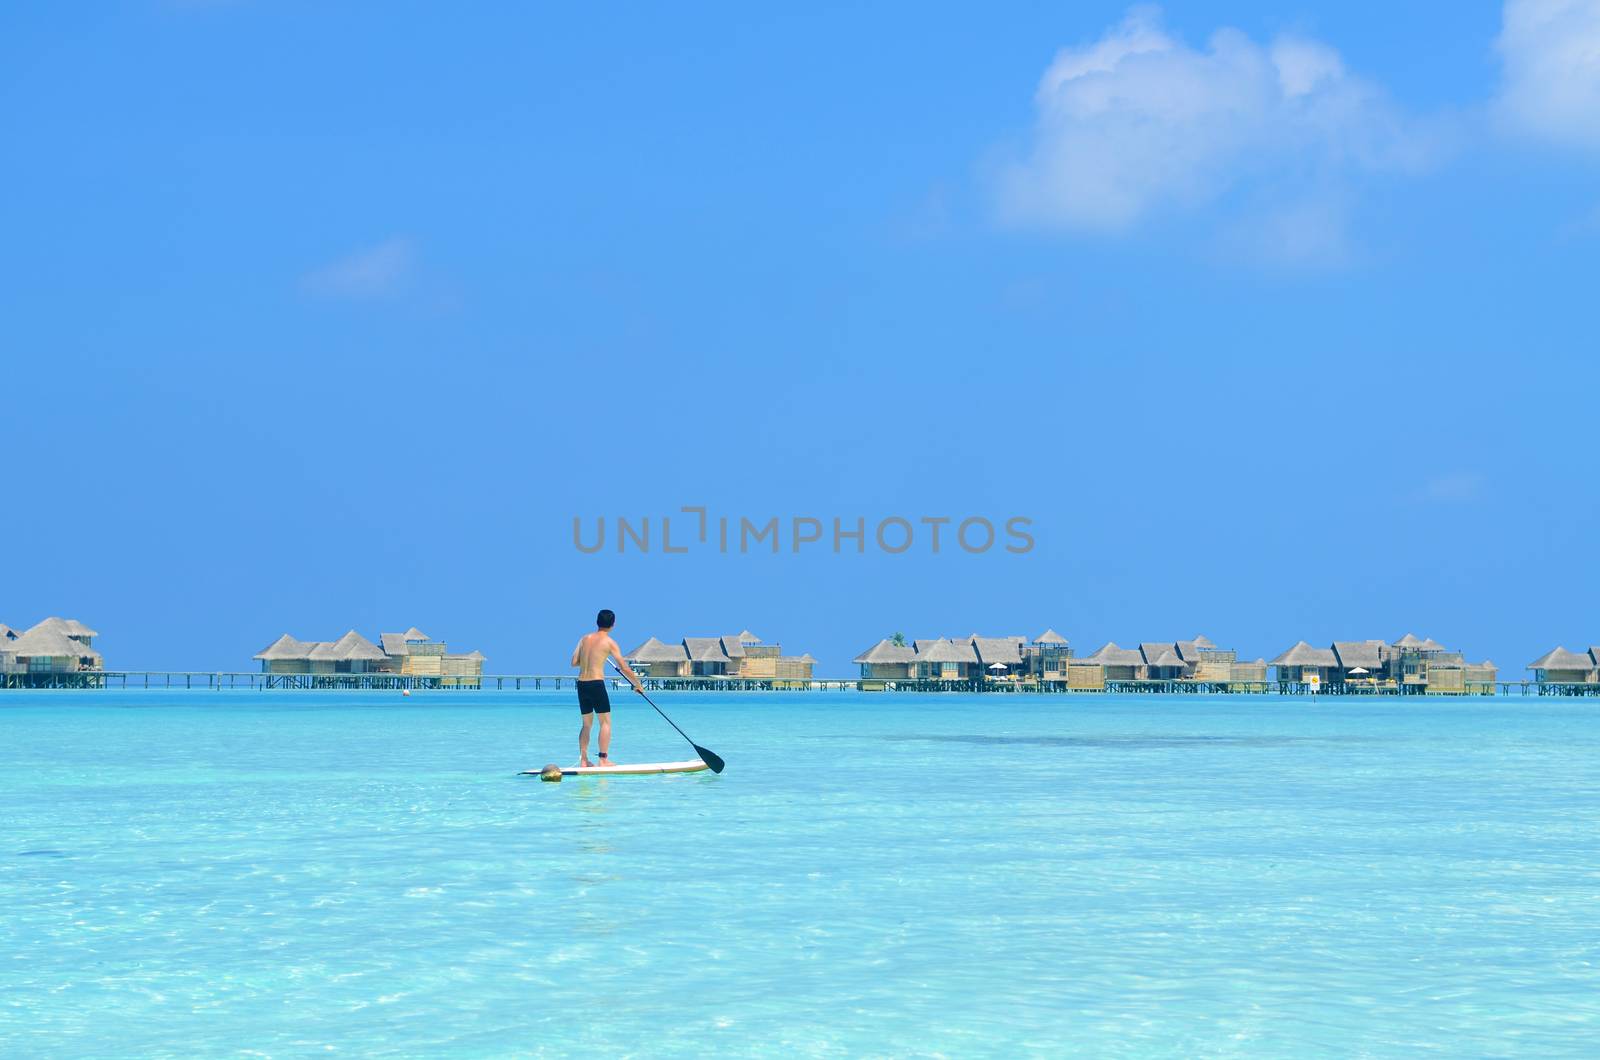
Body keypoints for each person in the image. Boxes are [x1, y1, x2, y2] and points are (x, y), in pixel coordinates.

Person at [570, 608, 643, 767]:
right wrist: (638, 685)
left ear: (597, 622)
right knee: (605, 723)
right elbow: (624, 667)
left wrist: (591, 659)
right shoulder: (610, 643)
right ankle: (603, 759)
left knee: (586, 724)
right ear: (613, 624)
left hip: (582, 684)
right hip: (596, 684)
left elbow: (574, 662)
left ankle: (583, 761)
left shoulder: (584, 639)